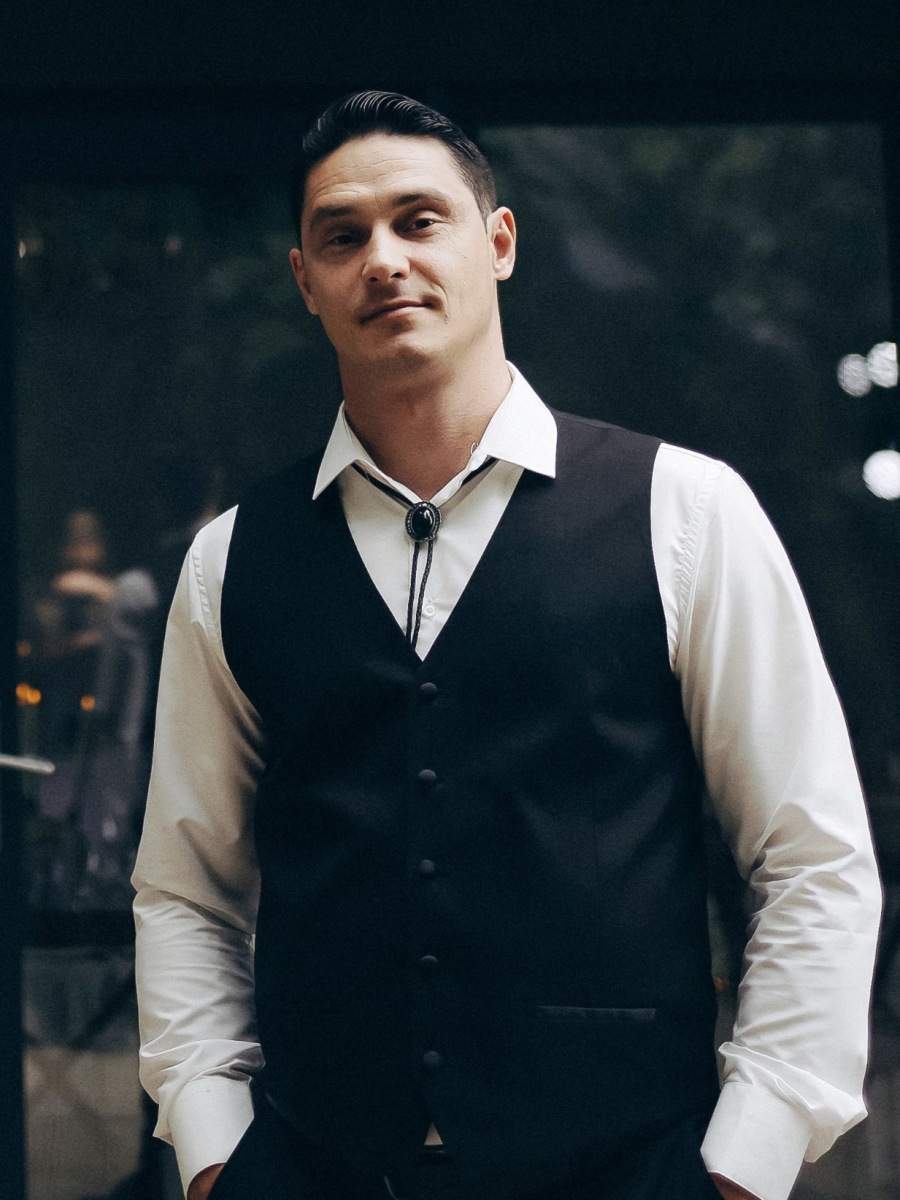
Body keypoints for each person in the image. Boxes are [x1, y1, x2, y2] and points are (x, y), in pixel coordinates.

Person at [132, 91, 882, 1200]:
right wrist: (213, 1153)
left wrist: (746, 1162)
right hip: (315, 1167)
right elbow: (187, 890)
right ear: (306, 281)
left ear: (499, 242)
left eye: (418, 220)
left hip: (632, 1168)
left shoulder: (684, 510)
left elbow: (810, 857)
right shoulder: (231, 559)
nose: (384, 259)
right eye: (343, 236)